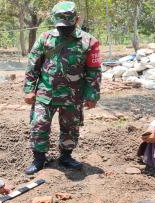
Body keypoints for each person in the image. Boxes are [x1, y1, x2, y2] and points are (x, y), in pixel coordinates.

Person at [23, 1, 102, 175]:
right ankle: (39, 158)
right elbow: (33, 64)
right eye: (61, 25)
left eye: (68, 24)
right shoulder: (45, 38)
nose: (64, 29)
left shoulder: (89, 42)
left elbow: (94, 70)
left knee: (70, 127)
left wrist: (92, 94)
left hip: (73, 95)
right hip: (46, 92)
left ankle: (66, 156)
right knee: (39, 124)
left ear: (77, 19)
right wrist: (29, 89)